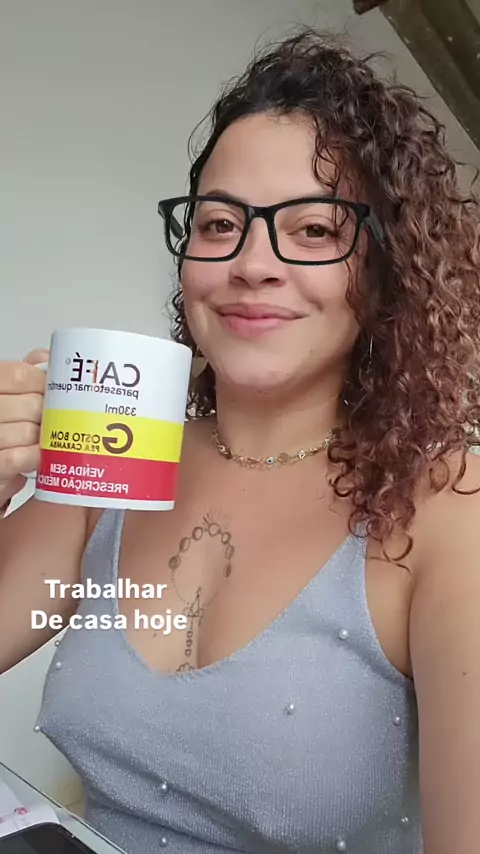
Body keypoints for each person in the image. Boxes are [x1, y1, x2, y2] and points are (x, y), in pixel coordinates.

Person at [1, 27, 479, 854]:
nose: (252, 263)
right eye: (220, 223)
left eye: (315, 229)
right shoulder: (120, 454)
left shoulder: (451, 509)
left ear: (385, 266)